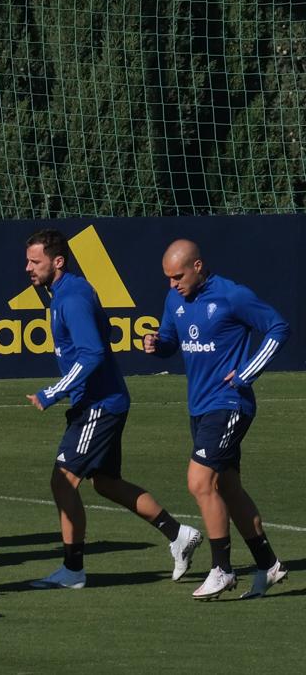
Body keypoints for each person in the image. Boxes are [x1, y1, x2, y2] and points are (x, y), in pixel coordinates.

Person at [23, 229, 201, 589]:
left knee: (62, 482)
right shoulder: (63, 292)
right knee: (105, 483)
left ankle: (72, 570)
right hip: (101, 401)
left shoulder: (71, 297)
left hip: (99, 405)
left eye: (35, 261)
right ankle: (178, 533)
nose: (27, 267)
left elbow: (92, 353)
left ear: (57, 262)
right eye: (28, 260)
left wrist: (52, 392)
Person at [145, 239, 290, 599]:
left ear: (198, 266)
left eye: (177, 276)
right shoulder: (174, 299)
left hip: (230, 404)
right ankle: (269, 564)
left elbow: (278, 328)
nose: (172, 284)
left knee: (199, 481)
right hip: (199, 407)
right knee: (228, 488)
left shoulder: (232, 295)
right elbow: (169, 342)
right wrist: (155, 344)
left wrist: (247, 372)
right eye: (167, 278)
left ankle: (221, 569)